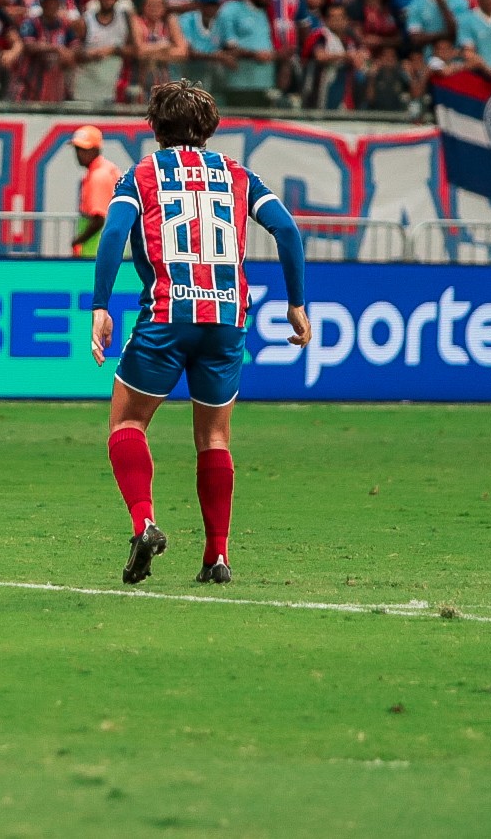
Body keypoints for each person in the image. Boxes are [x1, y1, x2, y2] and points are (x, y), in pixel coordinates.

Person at [90, 80, 311, 586]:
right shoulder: (238, 175)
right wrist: (296, 303)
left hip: (168, 314)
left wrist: (101, 306)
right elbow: (288, 230)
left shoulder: (141, 175)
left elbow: (114, 233)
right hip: (227, 319)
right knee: (214, 437)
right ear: (210, 128)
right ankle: (216, 557)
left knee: (127, 422)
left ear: (155, 126)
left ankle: (144, 522)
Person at [69, 125, 120, 257]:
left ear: (96, 149)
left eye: (84, 149)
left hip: (96, 250)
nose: (79, 154)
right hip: (109, 247)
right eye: (77, 149)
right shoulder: (108, 169)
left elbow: (99, 219)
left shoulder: (99, 176)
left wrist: (77, 241)